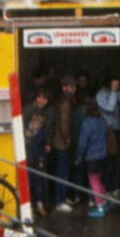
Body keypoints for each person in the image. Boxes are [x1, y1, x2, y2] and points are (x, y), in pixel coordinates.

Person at [77, 98, 111, 217]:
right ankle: (104, 202)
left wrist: (79, 156)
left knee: (94, 181)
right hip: (103, 155)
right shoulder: (102, 120)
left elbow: (82, 142)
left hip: (92, 157)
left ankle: (100, 206)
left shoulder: (87, 123)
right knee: (99, 180)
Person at [51, 77, 79, 210]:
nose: (74, 89)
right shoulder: (66, 103)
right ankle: (60, 201)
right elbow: (64, 125)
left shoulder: (61, 100)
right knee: (62, 172)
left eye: (74, 87)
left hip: (59, 142)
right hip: (62, 143)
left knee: (62, 171)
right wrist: (68, 141)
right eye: (71, 87)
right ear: (64, 87)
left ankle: (62, 198)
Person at [96, 73, 120, 194]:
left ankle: (116, 187)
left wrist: (116, 91)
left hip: (118, 129)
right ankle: (107, 188)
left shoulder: (116, 92)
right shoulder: (100, 94)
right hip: (107, 130)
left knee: (118, 161)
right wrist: (113, 91)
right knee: (108, 161)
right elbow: (109, 108)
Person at [25, 110, 52, 216]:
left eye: (39, 124)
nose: (36, 126)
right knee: (28, 184)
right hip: (27, 160)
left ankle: (39, 205)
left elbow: (41, 147)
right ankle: (30, 207)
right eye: (35, 123)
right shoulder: (25, 130)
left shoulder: (41, 132)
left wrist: (41, 159)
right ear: (31, 121)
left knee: (38, 183)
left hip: (36, 160)